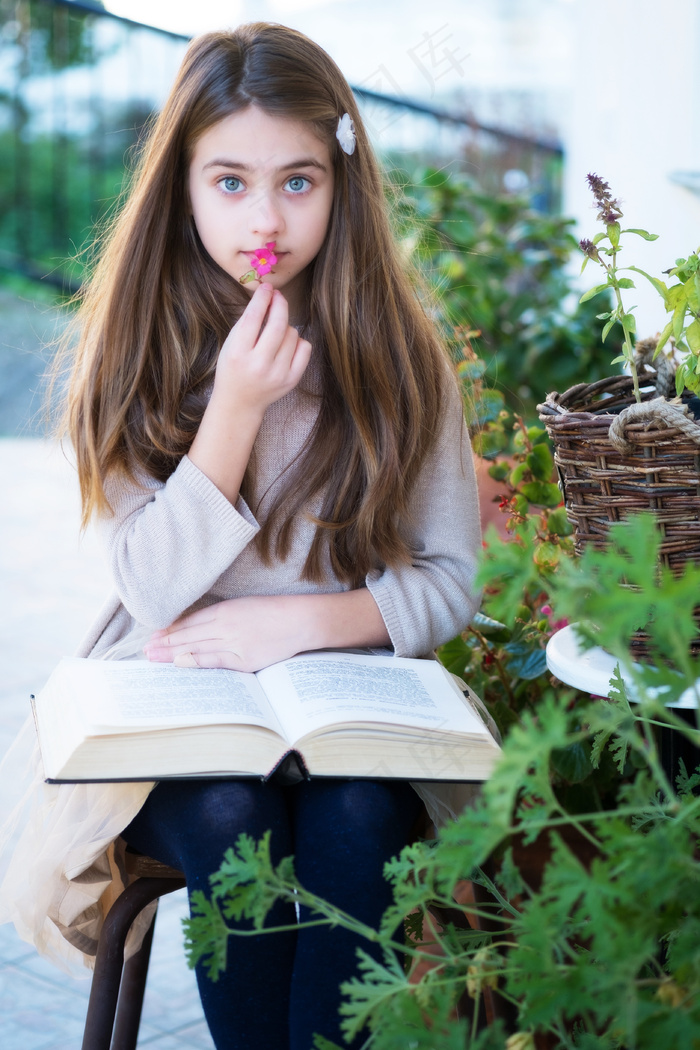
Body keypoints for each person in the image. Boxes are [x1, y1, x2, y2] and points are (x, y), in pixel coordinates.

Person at [0, 22, 482, 1050]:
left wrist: (305, 622)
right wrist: (233, 411)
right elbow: (150, 582)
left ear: (341, 183)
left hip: (349, 708)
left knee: (356, 824)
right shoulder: (134, 343)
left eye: (297, 182)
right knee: (231, 816)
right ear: (179, 183)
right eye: (229, 183)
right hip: (176, 705)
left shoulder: (401, 355)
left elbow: (448, 580)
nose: (264, 217)